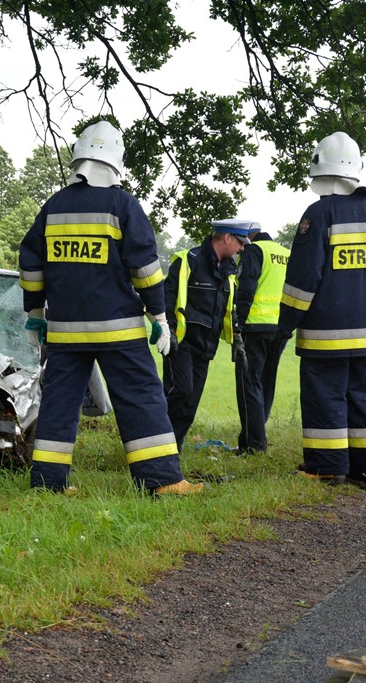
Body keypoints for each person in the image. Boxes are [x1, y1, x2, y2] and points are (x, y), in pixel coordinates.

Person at [18, 120, 203, 495]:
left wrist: (36, 313)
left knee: (60, 403)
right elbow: (146, 270)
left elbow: (31, 265)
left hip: (66, 330)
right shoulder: (122, 205)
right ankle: (162, 480)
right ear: (116, 161)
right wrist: (160, 316)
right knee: (140, 399)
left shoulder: (54, 206)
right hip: (119, 330)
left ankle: (47, 484)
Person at [277, 131, 366, 492]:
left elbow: (303, 280)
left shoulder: (319, 214)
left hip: (325, 334)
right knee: (365, 397)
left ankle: (326, 466)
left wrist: (286, 323)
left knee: (326, 396)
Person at [162, 219, 248, 453]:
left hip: (206, 345)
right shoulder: (189, 261)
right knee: (179, 391)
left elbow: (231, 308)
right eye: (240, 242)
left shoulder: (230, 271)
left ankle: (171, 450)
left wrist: (237, 337)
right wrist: (168, 330)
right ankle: (151, 441)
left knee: (190, 403)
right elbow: (167, 298)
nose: (242, 248)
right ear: (227, 237)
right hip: (181, 342)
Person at [232, 222, 290, 454]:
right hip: (281, 327)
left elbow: (246, 288)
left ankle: (253, 445)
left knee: (248, 383)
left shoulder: (255, 250)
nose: (239, 247)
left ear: (249, 238)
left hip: (256, 326)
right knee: (266, 382)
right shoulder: (287, 253)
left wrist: (238, 322)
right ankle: (256, 435)